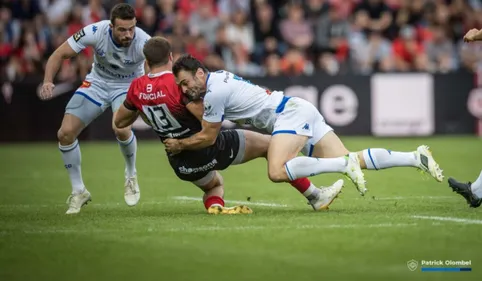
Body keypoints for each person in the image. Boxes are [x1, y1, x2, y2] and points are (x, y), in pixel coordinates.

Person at [114, 37, 343, 214]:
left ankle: (215, 206)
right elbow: (205, 118)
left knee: (214, 186)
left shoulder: (136, 88)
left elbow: (120, 122)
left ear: (146, 63)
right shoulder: (176, 84)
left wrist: (147, 112)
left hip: (180, 163)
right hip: (205, 146)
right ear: (171, 58)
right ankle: (316, 196)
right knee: (272, 147)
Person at [164, 55, 444, 196]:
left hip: (290, 116)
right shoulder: (217, 78)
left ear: (200, 73)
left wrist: (179, 144)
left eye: (186, 83)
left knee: (276, 171)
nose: (185, 89)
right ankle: (414, 157)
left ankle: (343, 166)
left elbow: (209, 137)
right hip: (297, 109)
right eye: (180, 86)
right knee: (353, 157)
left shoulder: (214, 93)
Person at [39, 4, 151, 214]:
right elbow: (58, 54)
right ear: (111, 26)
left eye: (131, 29)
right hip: (97, 84)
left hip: (128, 86)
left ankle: (130, 174)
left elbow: (161, 67)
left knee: (120, 128)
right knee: (65, 134)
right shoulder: (95, 31)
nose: (128, 34)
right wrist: (47, 81)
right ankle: (79, 190)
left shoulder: (143, 41)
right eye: (122, 30)